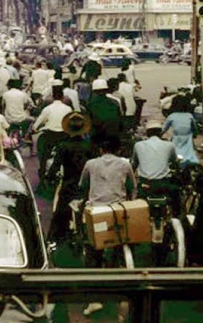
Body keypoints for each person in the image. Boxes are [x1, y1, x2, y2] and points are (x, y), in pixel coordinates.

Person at [79, 135, 137, 316]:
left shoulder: (90, 164)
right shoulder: (125, 164)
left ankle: (94, 299)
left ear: (100, 150)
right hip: (118, 210)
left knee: (92, 251)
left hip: (97, 213)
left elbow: (83, 185)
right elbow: (132, 188)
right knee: (120, 244)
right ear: (119, 150)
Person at [45, 112, 95, 244]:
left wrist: (49, 178)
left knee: (60, 214)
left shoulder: (63, 146)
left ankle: (54, 240)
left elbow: (55, 166)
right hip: (87, 186)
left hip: (69, 185)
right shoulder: (89, 145)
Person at [131, 121, 179, 213]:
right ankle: (177, 218)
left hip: (145, 184)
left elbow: (133, 165)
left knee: (137, 206)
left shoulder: (138, 145)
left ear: (147, 133)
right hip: (163, 184)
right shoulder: (169, 145)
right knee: (176, 197)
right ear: (160, 132)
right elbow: (175, 162)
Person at [32, 81, 73, 183]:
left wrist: (35, 130)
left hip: (50, 136)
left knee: (44, 156)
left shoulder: (47, 109)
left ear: (53, 97)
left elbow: (36, 125)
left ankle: (42, 173)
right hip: (65, 136)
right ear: (62, 97)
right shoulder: (68, 109)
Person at [163, 94, 200, 165]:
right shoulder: (189, 116)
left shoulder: (171, 116)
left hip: (176, 139)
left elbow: (164, 129)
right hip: (188, 140)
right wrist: (195, 134)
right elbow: (195, 128)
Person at [86, 78, 122, 146]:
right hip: (114, 135)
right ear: (106, 90)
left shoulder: (90, 104)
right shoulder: (115, 102)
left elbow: (88, 122)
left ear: (94, 91)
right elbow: (119, 118)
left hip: (98, 136)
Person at [2, 78, 34, 143]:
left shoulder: (5, 94)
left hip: (8, 119)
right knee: (33, 120)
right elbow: (31, 104)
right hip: (21, 118)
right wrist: (27, 108)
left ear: (9, 86)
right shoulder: (23, 94)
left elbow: (3, 106)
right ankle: (26, 136)